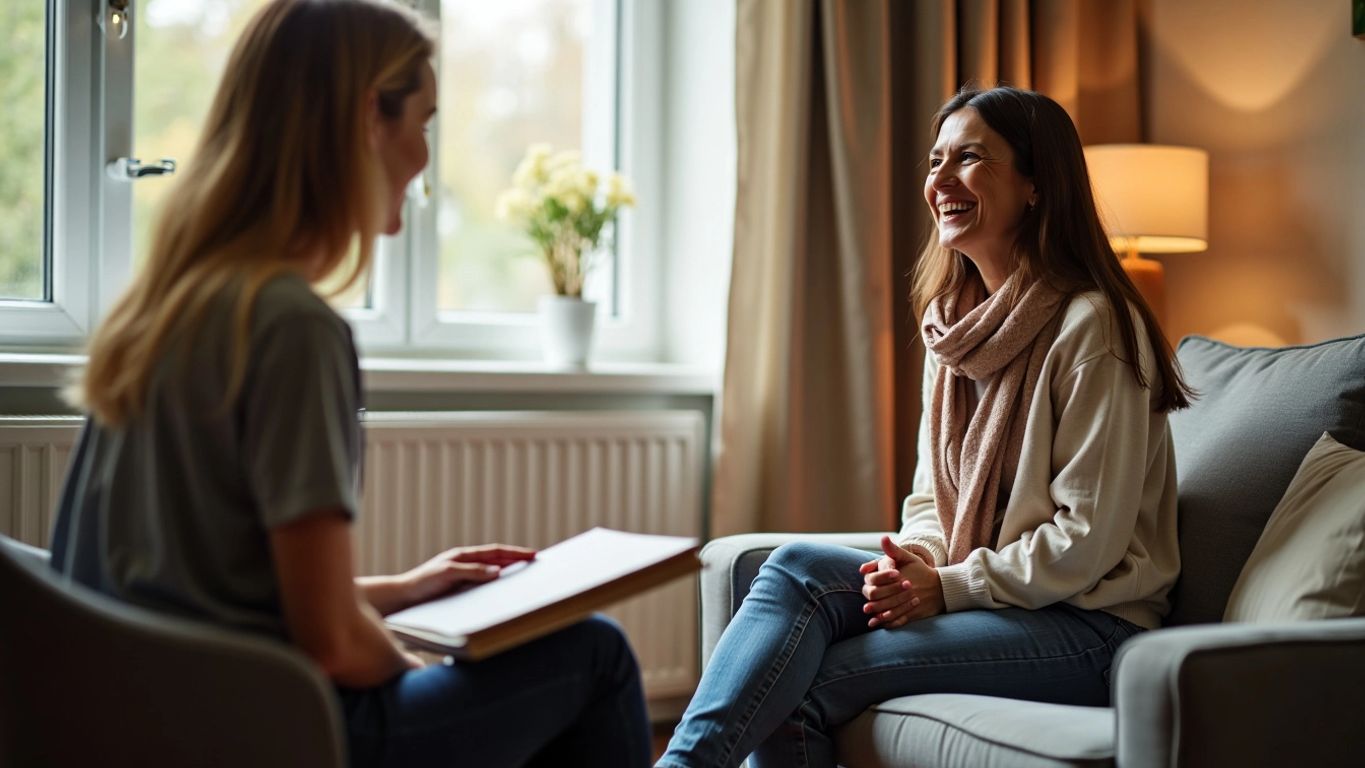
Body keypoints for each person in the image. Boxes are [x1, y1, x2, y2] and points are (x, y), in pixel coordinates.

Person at [47, 1, 650, 765]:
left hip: (155, 722)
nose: (426, 158)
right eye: (423, 124)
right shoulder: (291, 327)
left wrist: (405, 589)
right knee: (592, 654)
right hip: (271, 730)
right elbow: (329, 646)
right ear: (370, 117)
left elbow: (208, 596)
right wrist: (418, 678)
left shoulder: (159, 311)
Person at [657, 85, 1194, 768]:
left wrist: (947, 586)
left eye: (968, 159)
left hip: (1092, 627)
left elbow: (1084, 543)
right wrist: (913, 562)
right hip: (1003, 604)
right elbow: (929, 504)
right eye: (934, 161)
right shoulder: (953, 330)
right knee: (791, 566)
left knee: (797, 680)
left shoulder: (1095, 327)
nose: (938, 180)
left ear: (1035, 184)